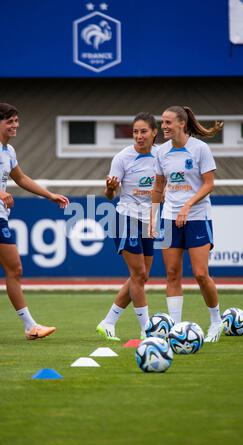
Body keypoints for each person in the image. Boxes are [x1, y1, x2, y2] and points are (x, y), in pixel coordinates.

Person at [0, 103, 68, 341]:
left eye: (16, 121)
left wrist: (50, 195)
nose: (15, 125)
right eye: (9, 121)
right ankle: (30, 326)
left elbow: (21, 178)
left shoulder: (8, 150)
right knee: (15, 269)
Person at [150, 105, 224, 342]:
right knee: (172, 274)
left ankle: (216, 321)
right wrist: (153, 216)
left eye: (168, 123)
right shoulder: (161, 152)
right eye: (162, 123)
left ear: (182, 123)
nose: (163, 127)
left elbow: (209, 184)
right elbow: (159, 187)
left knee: (201, 274)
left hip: (198, 216)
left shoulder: (200, 148)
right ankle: (177, 328)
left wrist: (187, 206)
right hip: (169, 217)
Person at [96, 112, 158, 342]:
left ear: (154, 132)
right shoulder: (122, 157)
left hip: (149, 220)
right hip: (126, 218)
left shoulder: (161, 156)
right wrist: (111, 188)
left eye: (143, 131)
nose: (139, 136)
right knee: (139, 274)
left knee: (142, 277)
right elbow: (109, 196)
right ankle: (147, 330)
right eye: (135, 132)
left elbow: (163, 191)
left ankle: (108, 322)